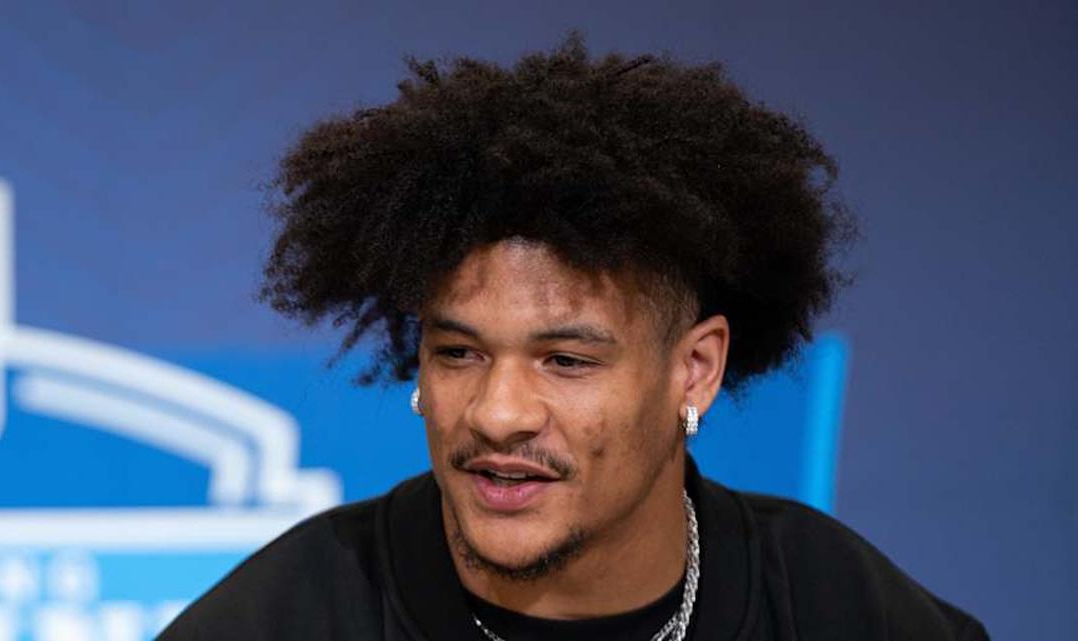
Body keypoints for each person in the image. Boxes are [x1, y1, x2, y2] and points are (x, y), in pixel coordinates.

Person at [158, 34, 989, 641]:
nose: (498, 413)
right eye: (459, 352)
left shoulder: (836, 606)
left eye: (565, 360)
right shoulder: (287, 616)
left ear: (694, 370)